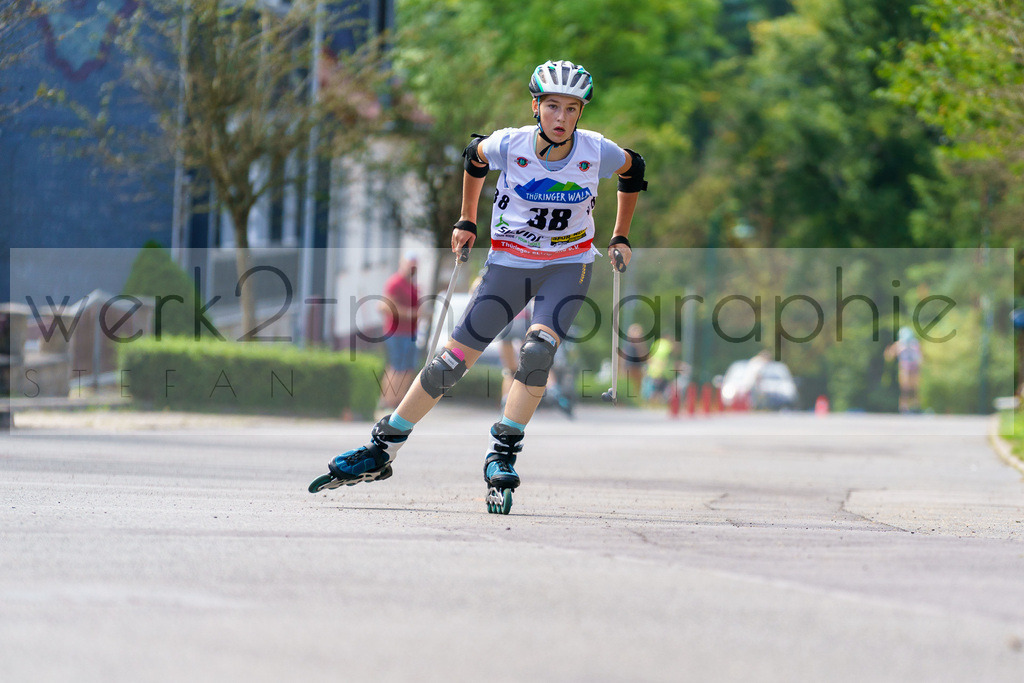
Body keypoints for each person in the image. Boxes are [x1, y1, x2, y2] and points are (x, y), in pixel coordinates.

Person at [314, 60, 647, 504]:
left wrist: (620, 233)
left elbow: (634, 167)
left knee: (537, 352)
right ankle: (382, 447)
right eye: (552, 106)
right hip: (508, 264)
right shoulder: (509, 144)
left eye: (571, 108)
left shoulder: (596, 150)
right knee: (451, 362)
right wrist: (467, 218)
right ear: (536, 106)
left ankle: (503, 453)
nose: (562, 118)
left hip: (568, 266)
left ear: (581, 112)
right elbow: (473, 156)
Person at [376, 251, 420, 413]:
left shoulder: (412, 285)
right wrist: (410, 313)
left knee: (408, 367)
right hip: (396, 332)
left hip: (410, 332)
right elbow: (386, 306)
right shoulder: (395, 283)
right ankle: (387, 400)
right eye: (410, 265)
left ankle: (399, 400)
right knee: (396, 366)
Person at [884, 326, 922, 413]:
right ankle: (904, 407)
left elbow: (920, 356)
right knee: (905, 389)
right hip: (904, 368)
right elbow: (890, 356)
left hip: (914, 368)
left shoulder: (915, 343)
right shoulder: (899, 344)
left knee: (914, 389)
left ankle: (915, 406)